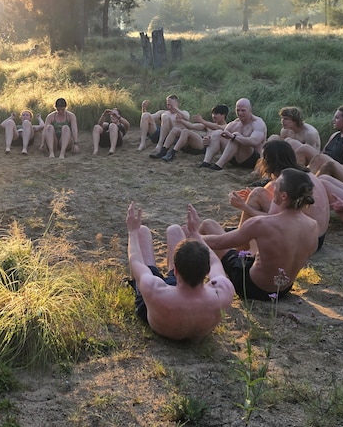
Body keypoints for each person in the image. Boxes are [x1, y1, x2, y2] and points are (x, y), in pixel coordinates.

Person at [200, 168, 320, 300]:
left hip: (251, 287)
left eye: (276, 185)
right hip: (282, 290)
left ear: (284, 196)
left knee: (208, 224)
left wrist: (191, 235)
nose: (272, 186)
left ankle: (181, 275)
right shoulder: (313, 226)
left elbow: (218, 242)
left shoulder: (263, 224)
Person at [126, 203, 235, 340]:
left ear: (176, 270)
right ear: (207, 271)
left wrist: (132, 232)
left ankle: (140, 232)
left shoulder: (153, 289)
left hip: (162, 304)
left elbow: (135, 261)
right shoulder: (224, 291)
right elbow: (215, 262)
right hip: (189, 300)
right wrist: (195, 233)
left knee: (141, 231)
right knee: (175, 230)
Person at [228, 140, 330, 253]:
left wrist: (244, 207)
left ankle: (239, 243)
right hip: (318, 238)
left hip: (303, 241)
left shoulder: (287, 180)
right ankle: (240, 234)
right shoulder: (306, 174)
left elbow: (273, 219)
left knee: (256, 193)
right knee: (258, 194)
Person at [294, 104, 343, 183]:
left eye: (337, 118)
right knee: (304, 148)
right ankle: (295, 176)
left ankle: (305, 183)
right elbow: (323, 154)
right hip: (325, 168)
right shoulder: (336, 135)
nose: (333, 120)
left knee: (322, 160)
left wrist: (324, 167)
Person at [198, 98, 267, 171]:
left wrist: (234, 137)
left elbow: (255, 141)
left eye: (243, 110)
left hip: (252, 160)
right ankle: (206, 162)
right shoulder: (234, 123)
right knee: (217, 133)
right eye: (238, 110)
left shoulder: (257, 123)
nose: (240, 113)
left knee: (236, 136)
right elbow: (223, 135)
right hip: (233, 158)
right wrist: (209, 139)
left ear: (250, 110)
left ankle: (219, 165)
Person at [154, 103, 230, 162]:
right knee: (175, 130)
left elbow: (218, 128)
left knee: (186, 131)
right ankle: (163, 151)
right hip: (199, 142)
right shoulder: (208, 124)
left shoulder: (227, 126)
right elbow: (191, 126)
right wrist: (181, 120)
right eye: (213, 114)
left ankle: (172, 153)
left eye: (216, 114)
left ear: (223, 115)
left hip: (204, 147)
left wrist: (202, 121)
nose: (213, 116)